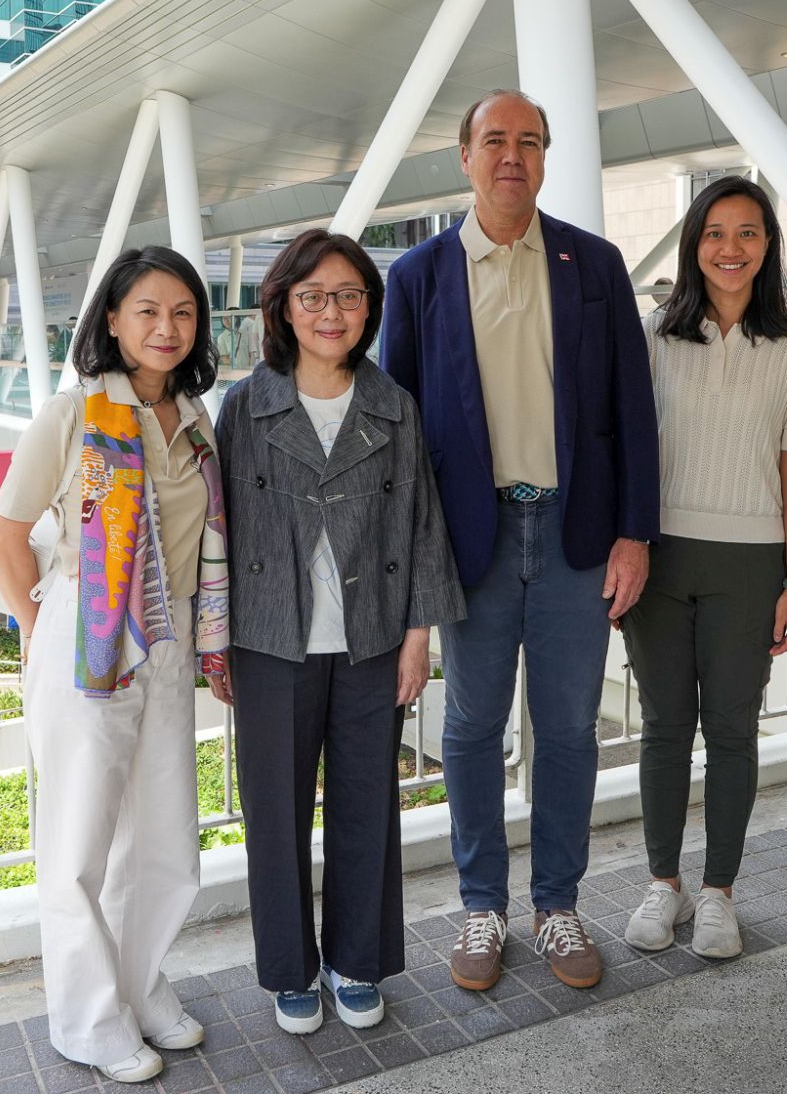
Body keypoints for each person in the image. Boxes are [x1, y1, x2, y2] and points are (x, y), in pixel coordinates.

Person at [382, 89, 659, 991]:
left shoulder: (595, 264)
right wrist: (415, 562)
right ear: (462, 157)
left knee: (572, 729)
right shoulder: (418, 277)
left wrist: (635, 534)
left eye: (529, 141)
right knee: (468, 727)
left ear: (546, 157)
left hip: (578, 535)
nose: (513, 155)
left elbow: (633, 414)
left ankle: (558, 904)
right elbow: (400, 431)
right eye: (494, 140)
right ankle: (480, 907)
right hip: (475, 538)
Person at [0, 246, 230, 1085]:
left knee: (163, 838)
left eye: (183, 312)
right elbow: (6, 538)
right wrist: (41, 628)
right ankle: (88, 1019)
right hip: (84, 646)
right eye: (148, 310)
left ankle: (139, 985)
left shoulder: (198, 421)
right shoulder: (74, 415)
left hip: (165, 648)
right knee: (79, 843)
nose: (166, 327)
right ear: (113, 321)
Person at [214, 228, 464, 1034]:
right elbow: (218, 531)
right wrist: (214, 635)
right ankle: (291, 970)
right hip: (269, 637)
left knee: (366, 805)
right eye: (314, 295)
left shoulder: (393, 406)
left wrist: (419, 635)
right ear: (284, 305)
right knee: (275, 813)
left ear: (369, 309)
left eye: (349, 296)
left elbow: (421, 524)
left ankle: (355, 958)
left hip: (371, 638)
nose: (333, 311)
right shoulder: (246, 405)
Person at [619, 175, 787, 960]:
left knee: (732, 730)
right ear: (693, 243)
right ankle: (663, 883)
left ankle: (719, 893)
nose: (729, 249)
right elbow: (626, 447)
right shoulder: (653, 335)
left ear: (768, 243)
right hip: (660, 555)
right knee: (665, 729)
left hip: (753, 564)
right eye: (714, 233)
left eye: (747, 233)